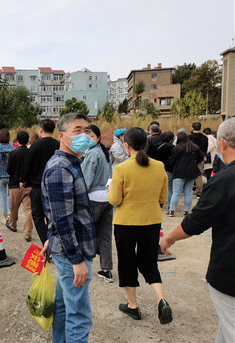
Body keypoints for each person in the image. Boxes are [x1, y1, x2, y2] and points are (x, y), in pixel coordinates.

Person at [161, 117, 235, 343]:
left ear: (221, 143)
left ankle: (173, 210)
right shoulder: (199, 150)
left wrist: (168, 240)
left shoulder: (225, 180)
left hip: (230, 271)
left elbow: (197, 222)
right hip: (191, 175)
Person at [40, 113, 97, 343]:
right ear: (62, 136)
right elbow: (63, 220)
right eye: (77, 130)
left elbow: (59, 213)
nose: (84, 135)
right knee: (79, 315)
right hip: (72, 252)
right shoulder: (60, 168)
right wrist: (76, 260)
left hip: (66, 247)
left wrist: (51, 238)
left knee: (64, 307)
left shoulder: (72, 163)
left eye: (86, 130)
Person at [108, 127, 172, 325]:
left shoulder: (121, 169)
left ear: (126, 145)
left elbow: (114, 199)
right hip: (152, 221)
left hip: (126, 223)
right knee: (149, 262)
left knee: (127, 262)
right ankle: (161, 299)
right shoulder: (159, 166)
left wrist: (111, 189)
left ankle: (133, 306)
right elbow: (163, 197)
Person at [81, 124, 114, 283]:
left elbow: (86, 181)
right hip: (107, 198)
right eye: (86, 135)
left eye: (91, 136)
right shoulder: (103, 151)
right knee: (105, 235)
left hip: (94, 198)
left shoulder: (92, 154)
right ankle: (106, 269)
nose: (88, 139)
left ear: (98, 137)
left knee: (84, 232)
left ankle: (80, 266)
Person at [21, 119, 59, 245]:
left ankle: (46, 242)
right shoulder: (58, 145)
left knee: (37, 216)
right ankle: (52, 241)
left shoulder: (35, 146)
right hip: (55, 187)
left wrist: (23, 180)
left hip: (38, 186)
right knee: (51, 216)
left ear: (41, 130)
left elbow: (28, 165)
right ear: (53, 131)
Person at [167, 132, 204, 217]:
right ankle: (186, 211)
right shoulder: (194, 147)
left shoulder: (177, 148)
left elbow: (171, 160)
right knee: (188, 192)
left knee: (176, 192)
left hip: (179, 172)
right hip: (191, 172)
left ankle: (172, 210)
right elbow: (200, 158)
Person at [6, 130, 33, 242]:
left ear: (17, 140)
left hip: (15, 185)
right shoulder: (31, 153)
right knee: (28, 210)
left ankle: (13, 225)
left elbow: (8, 170)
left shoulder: (12, 153)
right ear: (27, 141)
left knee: (14, 207)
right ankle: (27, 233)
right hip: (29, 185)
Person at [0, 129, 15, 223]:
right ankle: (10, 213)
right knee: (10, 195)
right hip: (10, 175)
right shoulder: (12, 148)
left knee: (3, 196)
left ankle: (5, 216)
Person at [151, 131, 175, 207]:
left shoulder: (156, 146)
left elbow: (152, 157)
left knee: (158, 185)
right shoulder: (173, 147)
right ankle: (169, 205)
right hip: (169, 168)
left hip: (157, 168)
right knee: (169, 187)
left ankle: (158, 202)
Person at [189, 122, 208, 197]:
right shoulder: (204, 138)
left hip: (189, 158)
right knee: (199, 175)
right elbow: (205, 149)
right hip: (200, 158)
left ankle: (188, 191)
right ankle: (199, 192)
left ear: (192, 127)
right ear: (200, 128)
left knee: (189, 175)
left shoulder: (189, 137)